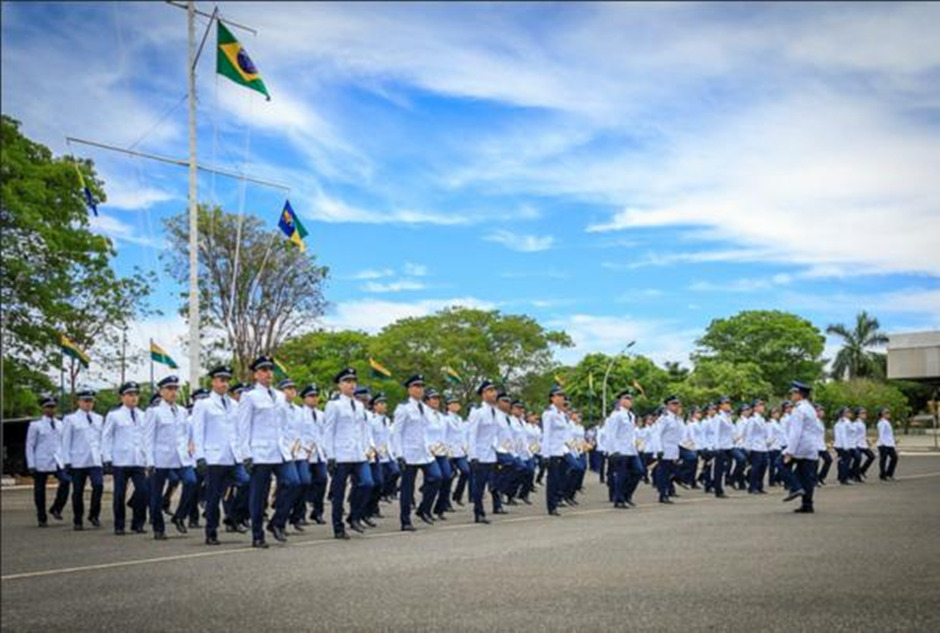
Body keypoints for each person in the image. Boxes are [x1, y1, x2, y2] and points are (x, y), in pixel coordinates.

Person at [236, 356, 300, 548]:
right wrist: (246, 454)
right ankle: (258, 535)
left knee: (294, 483)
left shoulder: (280, 396)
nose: (268, 373)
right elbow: (243, 427)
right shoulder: (249, 396)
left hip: (280, 451)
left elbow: (284, 425)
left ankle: (277, 523)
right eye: (263, 370)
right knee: (259, 495)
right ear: (255, 374)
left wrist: (288, 447)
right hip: (260, 452)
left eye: (270, 369)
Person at [192, 365, 248, 545]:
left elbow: (240, 431)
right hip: (214, 457)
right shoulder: (204, 404)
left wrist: (245, 453)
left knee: (247, 483)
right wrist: (199, 456)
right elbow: (198, 432)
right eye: (221, 380)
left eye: (226, 380)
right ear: (213, 382)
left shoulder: (234, 404)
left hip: (234, 456)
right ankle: (211, 531)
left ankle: (234, 516)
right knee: (213, 497)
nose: (224, 384)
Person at [145, 375, 197, 540]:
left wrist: (190, 447)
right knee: (156, 493)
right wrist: (149, 461)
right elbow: (148, 438)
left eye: (175, 389)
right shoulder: (154, 412)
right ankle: (158, 528)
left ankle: (179, 515)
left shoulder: (182, 411)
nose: (173, 392)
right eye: (169, 389)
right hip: (161, 458)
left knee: (191, 482)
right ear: (161, 392)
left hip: (181, 457)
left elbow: (186, 433)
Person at [324, 367, 374, 539]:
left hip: (358, 453)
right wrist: (330, 456)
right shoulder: (334, 405)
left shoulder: (360, 405)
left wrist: (368, 448)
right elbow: (328, 431)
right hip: (341, 454)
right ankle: (338, 527)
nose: (351, 385)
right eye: (347, 381)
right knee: (338, 493)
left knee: (367, 483)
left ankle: (354, 516)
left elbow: (363, 430)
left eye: (353, 381)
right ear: (340, 385)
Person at [391, 375, 440, 531]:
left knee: (437, 477)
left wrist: (433, 446)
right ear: (409, 389)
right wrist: (399, 454)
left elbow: (429, 431)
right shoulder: (403, 408)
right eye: (416, 386)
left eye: (422, 386)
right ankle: (405, 520)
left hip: (425, 453)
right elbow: (396, 434)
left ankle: (424, 509)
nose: (420, 389)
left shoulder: (426, 409)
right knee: (407, 488)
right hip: (409, 454)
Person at [102, 382, 150, 535]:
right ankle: (119, 524)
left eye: (136, 394)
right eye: (130, 395)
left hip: (138, 460)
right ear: (122, 397)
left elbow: (146, 439)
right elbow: (106, 437)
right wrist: (107, 458)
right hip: (120, 460)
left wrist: (148, 459)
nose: (133, 398)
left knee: (143, 492)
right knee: (119, 494)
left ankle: (138, 523)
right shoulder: (114, 415)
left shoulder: (143, 415)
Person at [61, 388, 105, 530]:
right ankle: (78, 519)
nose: (88, 404)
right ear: (79, 402)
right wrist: (66, 461)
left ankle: (94, 514)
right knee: (78, 491)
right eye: (85, 401)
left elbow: (102, 440)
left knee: (98, 486)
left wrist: (104, 457)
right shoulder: (71, 419)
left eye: (91, 401)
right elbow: (65, 441)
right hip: (78, 461)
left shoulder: (99, 418)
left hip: (95, 460)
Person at [26, 395, 69, 527]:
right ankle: (41, 517)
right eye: (48, 407)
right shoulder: (35, 425)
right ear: (43, 409)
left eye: (53, 407)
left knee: (66, 481)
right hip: (41, 460)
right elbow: (30, 445)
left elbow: (64, 443)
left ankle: (56, 507)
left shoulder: (61, 424)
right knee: (40, 490)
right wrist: (31, 463)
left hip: (57, 460)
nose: (51, 410)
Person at [782, 381, 824, 513]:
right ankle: (807, 504)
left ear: (799, 394)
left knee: (780, 463)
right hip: (811, 446)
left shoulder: (798, 409)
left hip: (800, 446)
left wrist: (789, 451)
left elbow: (796, 433)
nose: (791, 395)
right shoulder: (810, 408)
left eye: (793, 393)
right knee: (807, 475)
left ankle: (795, 487)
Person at [468, 380, 500, 523]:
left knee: (494, 482)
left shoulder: (496, 412)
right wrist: (473, 456)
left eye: (494, 390)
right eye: (490, 390)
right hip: (480, 455)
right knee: (479, 485)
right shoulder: (478, 413)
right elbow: (472, 435)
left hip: (491, 454)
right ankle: (478, 512)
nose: (494, 393)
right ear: (483, 394)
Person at [297, 383, 329, 525]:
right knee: (305, 482)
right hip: (304, 453)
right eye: (311, 396)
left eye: (316, 396)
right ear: (304, 398)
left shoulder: (321, 415)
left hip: (319, 453)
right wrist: (303, 447)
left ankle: (317, 512)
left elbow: (324, 434)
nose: (314, 399)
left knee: (322, 480)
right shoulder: (299, 413)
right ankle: (300, 514)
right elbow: (296, 433)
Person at [605, 390, 642, 509]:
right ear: (620, 401)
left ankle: (627, 495)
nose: (629, 401)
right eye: (626, 398)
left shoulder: (631, 415)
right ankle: (619, 500)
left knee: (638, 471)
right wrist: (613, 451)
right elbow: (611, 434)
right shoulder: (616, 415)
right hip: (620, 450)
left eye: (630, 398)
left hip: (631, 450)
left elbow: (631, 434)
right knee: (621, 475)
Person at [541, 385, 570, 516]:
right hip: (552, 451)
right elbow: (546, 435)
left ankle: (558, 499)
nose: (562, 398)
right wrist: (545, 454)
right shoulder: (549, 414)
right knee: (553, 480)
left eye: (562, 395)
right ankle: (551, 506)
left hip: (562, 451)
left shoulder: (562, 415)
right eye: (558, 395)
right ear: (552, 398)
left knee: (561, 478)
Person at [445, 394, 470, 509]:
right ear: (448, 406)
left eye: (457, 403)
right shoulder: (445, 419)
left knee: (465, 471)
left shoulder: (460, 419)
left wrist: (465, 448)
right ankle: (446, 502)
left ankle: (457, 495)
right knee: (449, 476)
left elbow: (462, 435)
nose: (456, 405)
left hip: (459, 451)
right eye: (453, 403)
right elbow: (443, 435)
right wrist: (446, 450)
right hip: (449, 451)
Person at [656, 395, 683, 504]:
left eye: (677, 404)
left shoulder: (677, 419)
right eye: (673, 404)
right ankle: (663, 494)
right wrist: (658, 449)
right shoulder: (664, 418)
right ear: (667, 406)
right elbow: (657, 434)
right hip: (665, 449)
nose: (676, 406)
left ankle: (667, 491)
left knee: (672, 472)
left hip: (674, 449)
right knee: (664, 473)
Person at [743, 399, 770, 494]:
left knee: (763, 466)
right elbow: (748, 434)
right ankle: (752, 486)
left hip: (763, 447)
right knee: (756, 468)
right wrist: (748, 448)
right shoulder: (752, 420)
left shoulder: (762, 419)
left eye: (762, 405)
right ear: (755, 408)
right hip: (755, 447)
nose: (762, 407)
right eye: (760, 405)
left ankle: (759, 486)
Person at [712, 396, 735, 499]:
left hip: (729, 445)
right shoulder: (718, 417)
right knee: (719, 469)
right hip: (721, 446)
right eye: (726, 403)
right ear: (720, 406)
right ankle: (718, 489)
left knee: (733, 463)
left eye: (729, 403)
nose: (728, 405)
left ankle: (727, 482)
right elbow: (715, 433)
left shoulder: (727, 416)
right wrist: (716, 447)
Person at [876, 407, 899, 481]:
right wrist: (883, 444)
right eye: (887, 412)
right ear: (882, 414)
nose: (889, 414)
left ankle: (889, 474)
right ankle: (883, 475)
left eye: (888, 412)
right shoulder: (882, 423)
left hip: (889, 444)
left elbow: (889, 434)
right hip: (883, 444)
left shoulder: (886, 422)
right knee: (883, 459)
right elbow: (881, 434)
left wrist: (893, 441)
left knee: (894, 458)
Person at [833, 407, 853, 485]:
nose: (849, 413)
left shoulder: (839, 423)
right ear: (844, 414)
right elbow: (844, 435)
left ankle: (841, 477)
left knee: (842, 461)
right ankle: (844, 478)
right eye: (848, 412)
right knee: (846, 462)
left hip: (838, 445)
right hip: (843, 445)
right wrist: (846, 447)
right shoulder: (846, 422)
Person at [855, 407, 876, 480]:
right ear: (858, 415)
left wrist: (867, 441)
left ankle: (861, 471)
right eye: (862, 413)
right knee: (858, 460)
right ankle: (856, 475)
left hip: (863, 444)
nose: (865, 415)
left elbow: (862, 434)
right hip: (857, 444)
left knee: (872, 456)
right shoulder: (856, 424)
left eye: (865, 413)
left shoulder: (863, 424)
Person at [814, 404, 833, 486]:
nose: (822, 412)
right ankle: (814, 480)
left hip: (821, 445)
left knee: (828, 460)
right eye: (820, 411)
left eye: (822, 410)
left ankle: (821, 477)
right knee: (815, 464)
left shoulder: (820, 421)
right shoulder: (813, 421)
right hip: (815, 445)